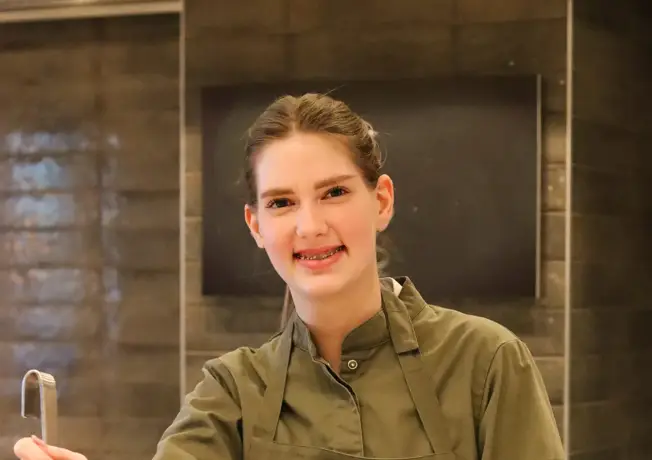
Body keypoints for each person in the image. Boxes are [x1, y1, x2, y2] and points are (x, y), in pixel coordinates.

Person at [14, 93, 565, 460]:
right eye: (281, 202)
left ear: (381, 200)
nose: (310, 226)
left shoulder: (486, 363)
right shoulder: (231, 391)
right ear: (256, 225)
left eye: (334, 192)